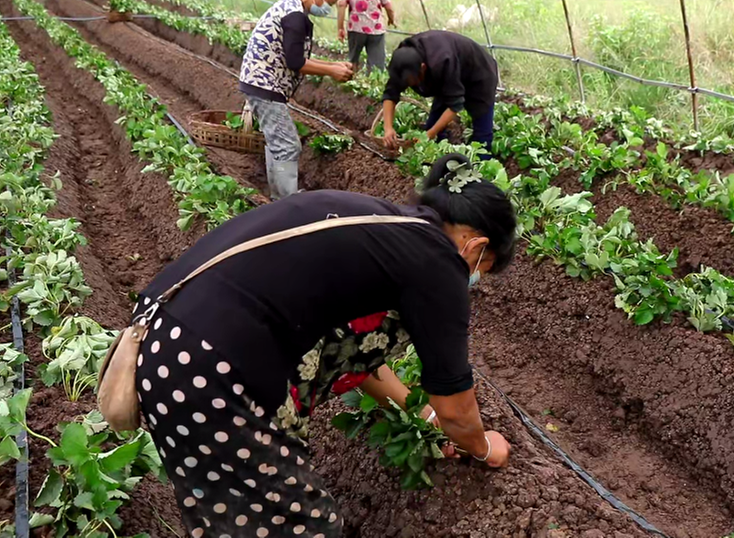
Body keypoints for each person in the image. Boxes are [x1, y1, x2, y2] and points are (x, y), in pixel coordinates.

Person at [131, 154, 515, 537]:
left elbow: (357, 354)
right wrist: (483, 447)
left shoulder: (384, 227)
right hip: (210, 368)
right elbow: (457, 409)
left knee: (234, 521)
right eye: (484, 266)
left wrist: (425, 418)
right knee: (307, 526)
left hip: (167, 345)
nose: (475, 277)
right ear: (475, 244)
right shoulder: (439, 263)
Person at [239, 0, 354, 200]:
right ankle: (287, 202)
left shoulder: (291, 8)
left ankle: (278, 197)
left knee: (278, 142)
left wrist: (332, 64)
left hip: (260, 83)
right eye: (329, 1)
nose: (328, 6)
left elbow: (294, 57)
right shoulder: (294, 16)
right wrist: (331, 71)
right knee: (288, 146)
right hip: (265, 85)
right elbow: (295, 62)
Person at [381, 30, 498, 153]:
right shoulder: (403, 61)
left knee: (482, 131)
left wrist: (430, 134)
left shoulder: (442, 61)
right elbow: (390, 94)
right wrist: (388, 128)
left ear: (422, 68)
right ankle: (439, 159)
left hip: (480, 75)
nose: (411, 86)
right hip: (450, 74)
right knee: (433, 126)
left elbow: (455, 105)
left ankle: (482, 165)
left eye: (412, 82)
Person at [336, 0, 395, 73]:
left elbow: (342, 4)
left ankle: (351, 80)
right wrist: (391, 19)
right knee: (376, 64)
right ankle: (373, 82)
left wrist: (340, 28)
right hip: (375, 29)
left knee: (353, 60)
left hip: (355, 28)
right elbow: (388, 6)